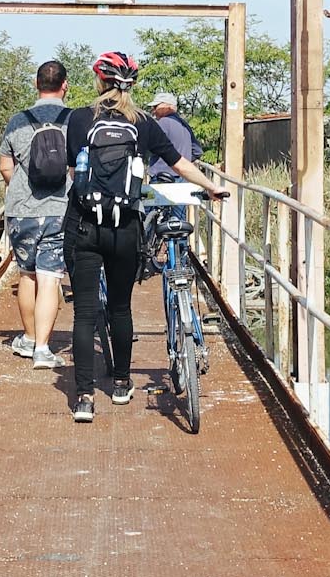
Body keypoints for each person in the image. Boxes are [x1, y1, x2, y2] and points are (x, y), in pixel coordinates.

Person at [63, 51, 227, 424]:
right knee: (121, 307)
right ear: (132, 85)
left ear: (99, 81)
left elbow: (74, 170)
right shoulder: (144, 122)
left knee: (85, 312)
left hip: (85, 226)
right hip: (126, 228)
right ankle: (121, 384)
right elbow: (179, 164)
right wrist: (210, 187)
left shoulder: (78, 119)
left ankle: (85, 398)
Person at [0, 59, 70, 369]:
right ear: (64, 85)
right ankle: (43, 348)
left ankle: (28, 338)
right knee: (50, 278)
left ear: (36, 84)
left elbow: (5, 167)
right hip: (59, 210)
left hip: (22, 211)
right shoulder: (74, 120)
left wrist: (21, 189)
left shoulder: (17, 121)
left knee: (26, 275)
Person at [148, 90, 203, 179]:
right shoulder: (185, 125)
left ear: (167, 106)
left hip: (163, 177)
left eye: (156, 107)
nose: (153, 111)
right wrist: (183, 161)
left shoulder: (163, 122)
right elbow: (198, 151)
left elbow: (150, 147)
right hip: (184, 177)